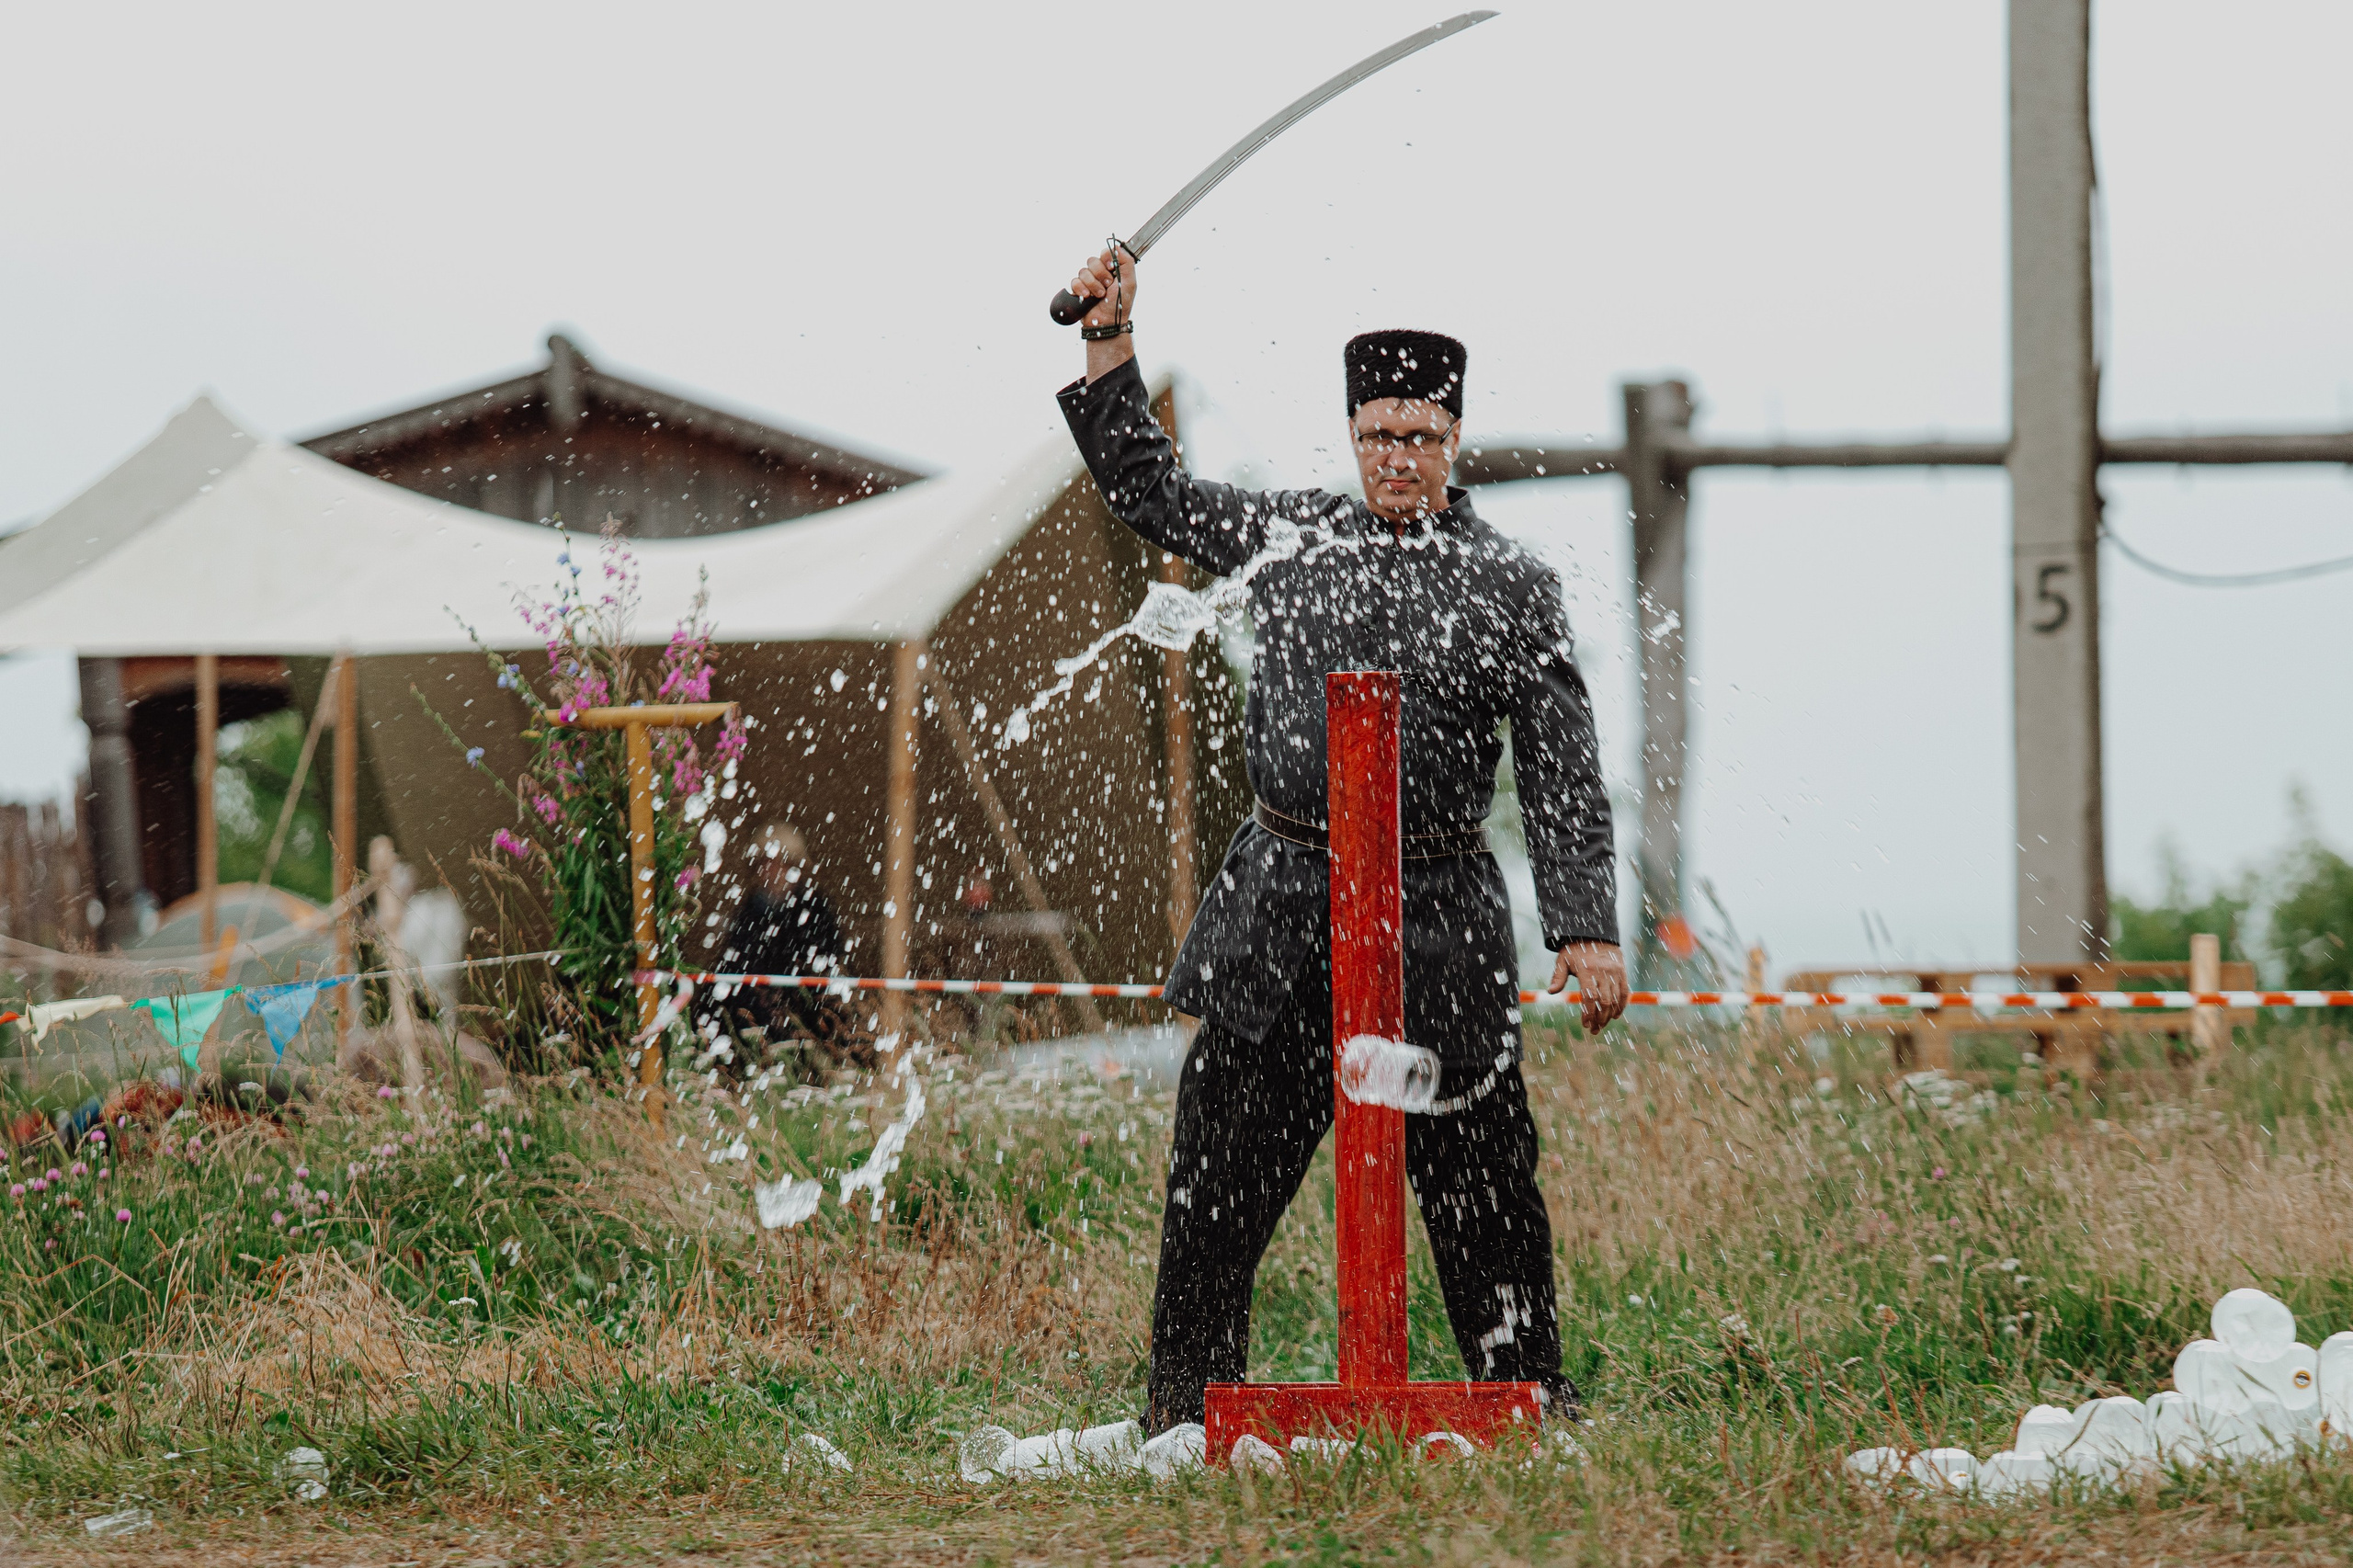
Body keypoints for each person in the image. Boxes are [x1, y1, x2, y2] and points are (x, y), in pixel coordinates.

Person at [1055, 245, 1631, 1432]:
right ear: (1352, 436)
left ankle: (1531, 1401)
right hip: (1281, 907)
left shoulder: (1512, 585)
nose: (1397, 458)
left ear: (1455, 439)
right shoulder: (1289, 536)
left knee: (1483, 1187)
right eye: (1377, 436)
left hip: (1440, 919)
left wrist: (1584, 926)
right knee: (1216, 1179)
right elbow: (1150, 490)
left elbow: (1562, 765)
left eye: (1419, 437)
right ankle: (1183, 1417)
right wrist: (1110, 339)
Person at [710, 824, 864, 1073]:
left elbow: (828, 966)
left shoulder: (814, 908)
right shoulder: (749, 911)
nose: (770, 871)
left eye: (778, 864)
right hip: (757, 1018)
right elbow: (734, 968)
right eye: (764, 863)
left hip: (805, 1016)